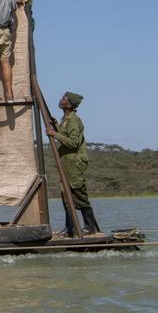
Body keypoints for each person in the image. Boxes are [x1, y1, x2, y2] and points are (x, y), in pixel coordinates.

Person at [47, 91, 102, 236]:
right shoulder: (65, 120)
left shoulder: (74, 120)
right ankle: (70, 229)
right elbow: (66, 136)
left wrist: (55, 134)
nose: (61, 99)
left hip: (74, 164)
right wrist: (57, 126)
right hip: (66, 164)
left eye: (64, 98)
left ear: (69, 104)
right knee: (66, 197)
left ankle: (91, 227)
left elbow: (73, 142)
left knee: (79, 194)